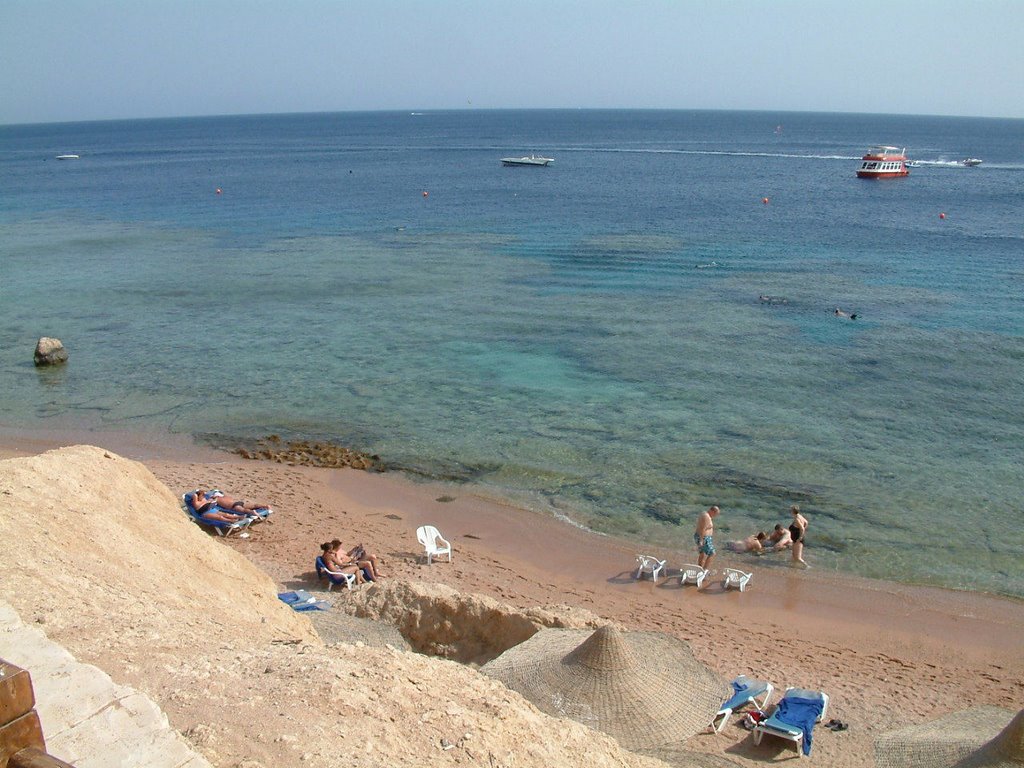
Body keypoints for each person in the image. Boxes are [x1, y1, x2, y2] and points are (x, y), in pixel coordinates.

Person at [197, 489, 272, 516]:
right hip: (238, 502)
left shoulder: (217, 499)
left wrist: (210, 499)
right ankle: (265, 506)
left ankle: (253, 512)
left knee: (243, 510)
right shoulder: (227, 497)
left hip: (233, 506)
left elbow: (210, 502)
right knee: (253, 505)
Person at [694, 505, 720, 575]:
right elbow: (703, 529)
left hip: (699, 536)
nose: (715, 516)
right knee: (712, 553)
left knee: (702, 553)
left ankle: (699, 570)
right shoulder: (707, 517)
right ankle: (704, 571)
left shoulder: (704, 513)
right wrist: (701, 540)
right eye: (715, 514)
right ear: (712, 511)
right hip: (704, 538)